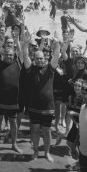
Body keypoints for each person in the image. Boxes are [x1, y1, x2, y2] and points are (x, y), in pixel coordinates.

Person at [21, 29, 61, 162]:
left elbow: (56, 55)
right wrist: (26, 44)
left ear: (45, 59)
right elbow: (25, 55)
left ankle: (47, 153)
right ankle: (36, 152)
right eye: (37, 58)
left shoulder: (50, 69)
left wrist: (57, 42)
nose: (39, 60)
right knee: (35, 130)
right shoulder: (30, 68)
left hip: (48, 106)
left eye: (41, 58)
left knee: (47, 131)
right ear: (34, 59)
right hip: (34, 106)